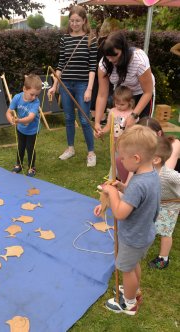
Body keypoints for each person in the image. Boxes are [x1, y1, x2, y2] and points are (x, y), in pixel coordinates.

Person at [94, 125, 160, 315]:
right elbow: (137, 198)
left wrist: (113, 193)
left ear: (136, 158)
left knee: (126, 268)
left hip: (133, 236)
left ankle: (129, 303)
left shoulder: (139, 183)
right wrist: (122, 187)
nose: (121, 161)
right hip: (144, 233)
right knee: (133, 265)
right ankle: (134, 290)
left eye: (123, 158)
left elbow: (121, 213)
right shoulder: (151, 174)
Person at [47, 5, 97, 167]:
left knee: (84, 119)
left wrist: (89, 88)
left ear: (84, 21)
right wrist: (55, 86)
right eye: (72, 21)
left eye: (78, 21)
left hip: (83, 85)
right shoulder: (65, 39)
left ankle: (91, 152)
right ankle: (70, 148)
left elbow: (92, 67)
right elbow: (60, 65)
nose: (74, 24)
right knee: (68, 118)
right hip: (65, 84)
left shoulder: (91, 39)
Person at [94, 31, 154, 137]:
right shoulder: (104, 64)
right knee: (121, 132)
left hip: (142, 94)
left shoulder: (139, 60)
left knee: (142, 132)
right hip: (123, 94)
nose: (111, 59)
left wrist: (134, 115)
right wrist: (97, 122)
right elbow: (102, 95)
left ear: (123, 49)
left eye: (114, 55)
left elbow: (148, 92)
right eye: (108, 56)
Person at [149, 136, 180, 269]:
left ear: (156, 159)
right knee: (155, 223)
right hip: (158, 201)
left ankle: (163, 258)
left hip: (171, 204)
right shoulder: (149, 169)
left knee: (166, 230)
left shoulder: (168, 174)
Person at [6, 74, 42, 177]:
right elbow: (8, 112)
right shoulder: (17, 97)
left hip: (32, 130)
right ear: (24, 89)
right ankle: (19, 164)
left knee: (30, 147)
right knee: (20, 146)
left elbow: (30, 118)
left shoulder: (36, 102)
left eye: (37, 95)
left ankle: (32, 167)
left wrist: (18, 121)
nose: (34, 97)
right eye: (32, 94)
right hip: (20, 128)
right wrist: (11, 121)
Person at [100, 86, 135, 181]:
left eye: (122, 104)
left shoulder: (132, 114)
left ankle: (125, 179)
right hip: (115, 143)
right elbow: (108, 126)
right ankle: (112, 179)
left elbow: (133, 131)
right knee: (114, 161)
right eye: (117, 103)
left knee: (125, 161)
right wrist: (102, 131)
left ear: (129, 102)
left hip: (127, 144)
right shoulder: (112, 111)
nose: (119, 106)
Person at [90, 17, 120, 123]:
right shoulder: (108, 42)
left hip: (98, 70)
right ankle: (100, 117)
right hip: (102, 70)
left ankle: (96, 115)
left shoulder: (100, 40)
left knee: (97, 92)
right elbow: (105, 60)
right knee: (101, 93)